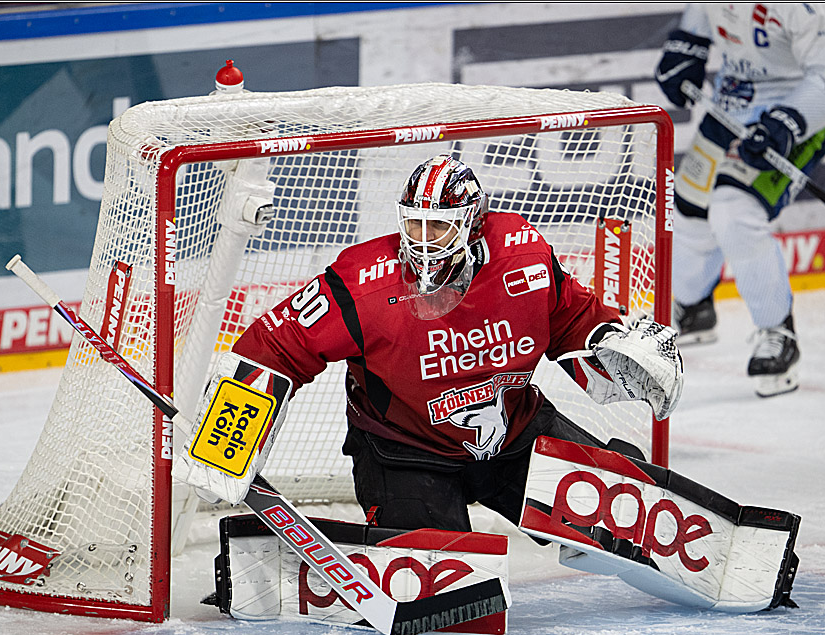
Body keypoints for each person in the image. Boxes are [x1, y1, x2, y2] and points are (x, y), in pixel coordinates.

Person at [231, 154, 682, 533]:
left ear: (472, 224)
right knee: (442, 583)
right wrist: (227, 440)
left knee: (626, 510)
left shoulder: (522, 254)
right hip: (405, 452)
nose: (423, 241)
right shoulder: (364, 281)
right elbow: (277, 343)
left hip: (517, 435)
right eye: (414, 225)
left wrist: (609, 341)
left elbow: (569, 317)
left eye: (439, 228)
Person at [654, 3, 825, 397]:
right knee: (688, 210)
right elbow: (702, 14)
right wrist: (687, 46)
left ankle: (779, 332)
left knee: (734, 210)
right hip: (732, 102)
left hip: (798, 114)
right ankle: (694, 311)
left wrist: (786, 123)